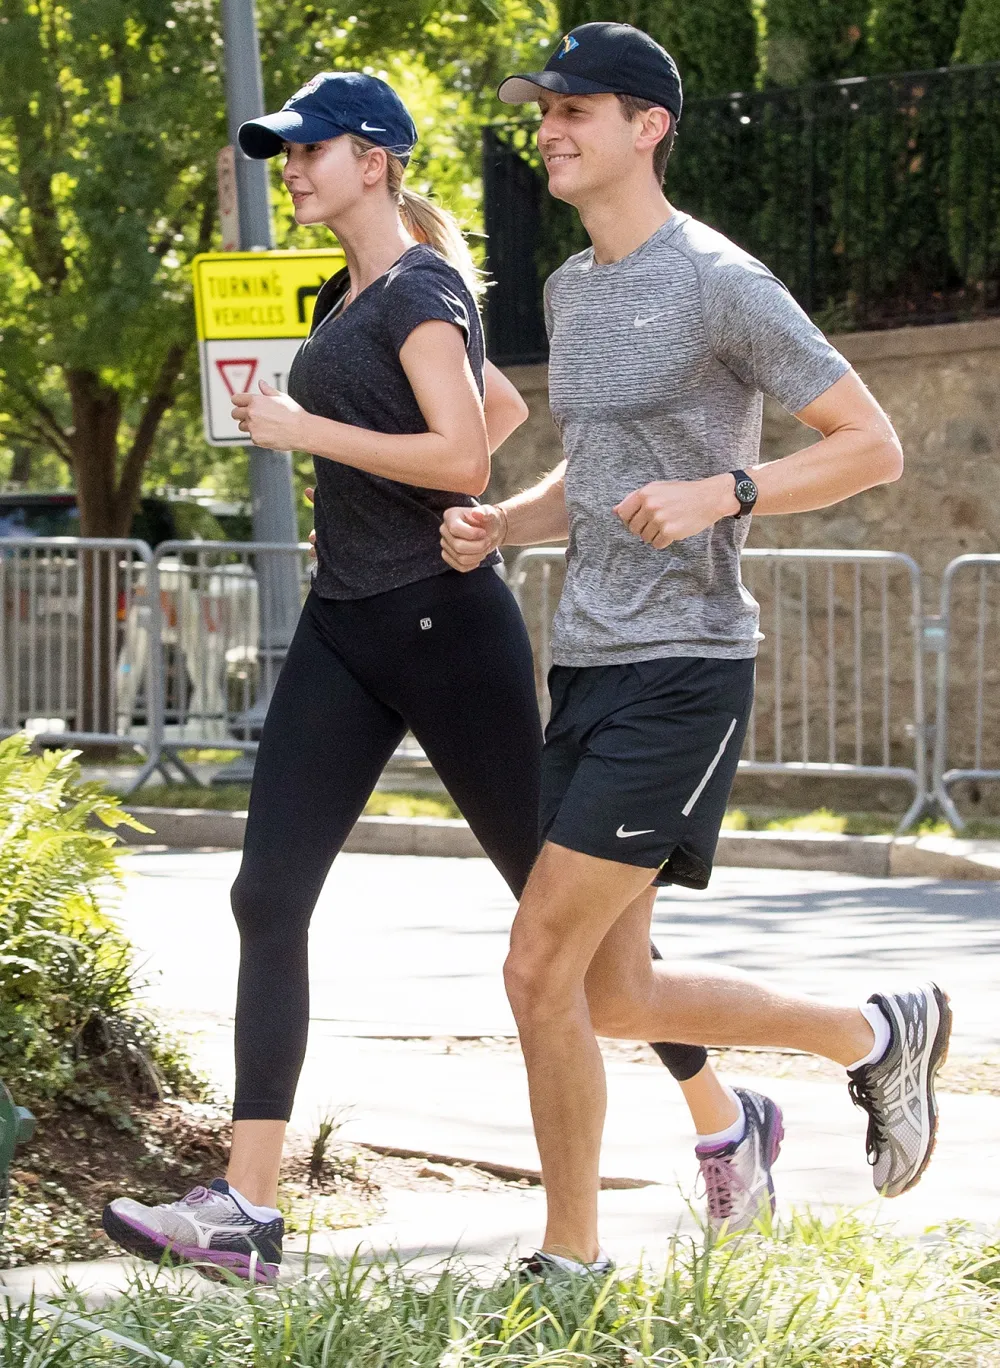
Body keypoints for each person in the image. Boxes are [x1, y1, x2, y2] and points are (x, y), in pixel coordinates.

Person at [101, 69, 757, 1284]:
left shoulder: (419, 286)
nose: (289, 168)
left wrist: (310, 435)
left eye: (311, 149)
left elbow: (459, 446)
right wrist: (360, 496)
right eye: (282, 152)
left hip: (445, 636)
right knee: (265, 897)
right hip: (348, 627)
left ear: (379, 160)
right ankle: (247, 1209)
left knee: (579, 950)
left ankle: (724, 1110)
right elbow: (496, 405)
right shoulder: (346, 292)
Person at [440, 22, 951, 1277]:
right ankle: (871, 1034)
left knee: (534, 961)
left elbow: (868, 445)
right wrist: (512, 518)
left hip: (687, 663)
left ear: (648, 127)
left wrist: (727, 491)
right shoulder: (571, 287)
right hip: (591, 660)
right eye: (544, 111)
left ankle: (571, 1258)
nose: (550, 130)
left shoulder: (721, 279)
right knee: (613, 995)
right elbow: (603, 466)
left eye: (577, 111)